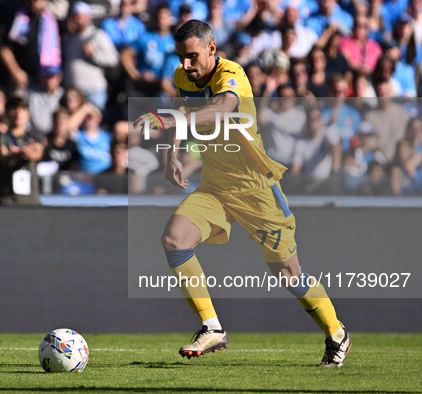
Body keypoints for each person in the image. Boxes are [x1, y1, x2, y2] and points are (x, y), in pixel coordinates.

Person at [134, 20, 351, 367]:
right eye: (181, 58)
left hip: (257, 189)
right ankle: (212, 327)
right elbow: (185, 113)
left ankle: (337, 333)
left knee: (288, 274)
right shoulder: (181, 76)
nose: (186, 66)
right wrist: (171, 154)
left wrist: (171, 123)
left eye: (192, 57)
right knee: (175, 239)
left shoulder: (231, 74)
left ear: (212, 49)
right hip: (217, 187)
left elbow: (222, 108)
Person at [0, 97, 43, 205]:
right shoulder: (2, 137)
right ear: (7, 113)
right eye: (14, 109)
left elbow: (38, 153)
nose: (18, 113)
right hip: (6, 197)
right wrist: (18, 154)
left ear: (27, 114)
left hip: (30, 198)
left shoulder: (33, 136)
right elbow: (3, 157)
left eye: (22, 109)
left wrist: (28, 153)